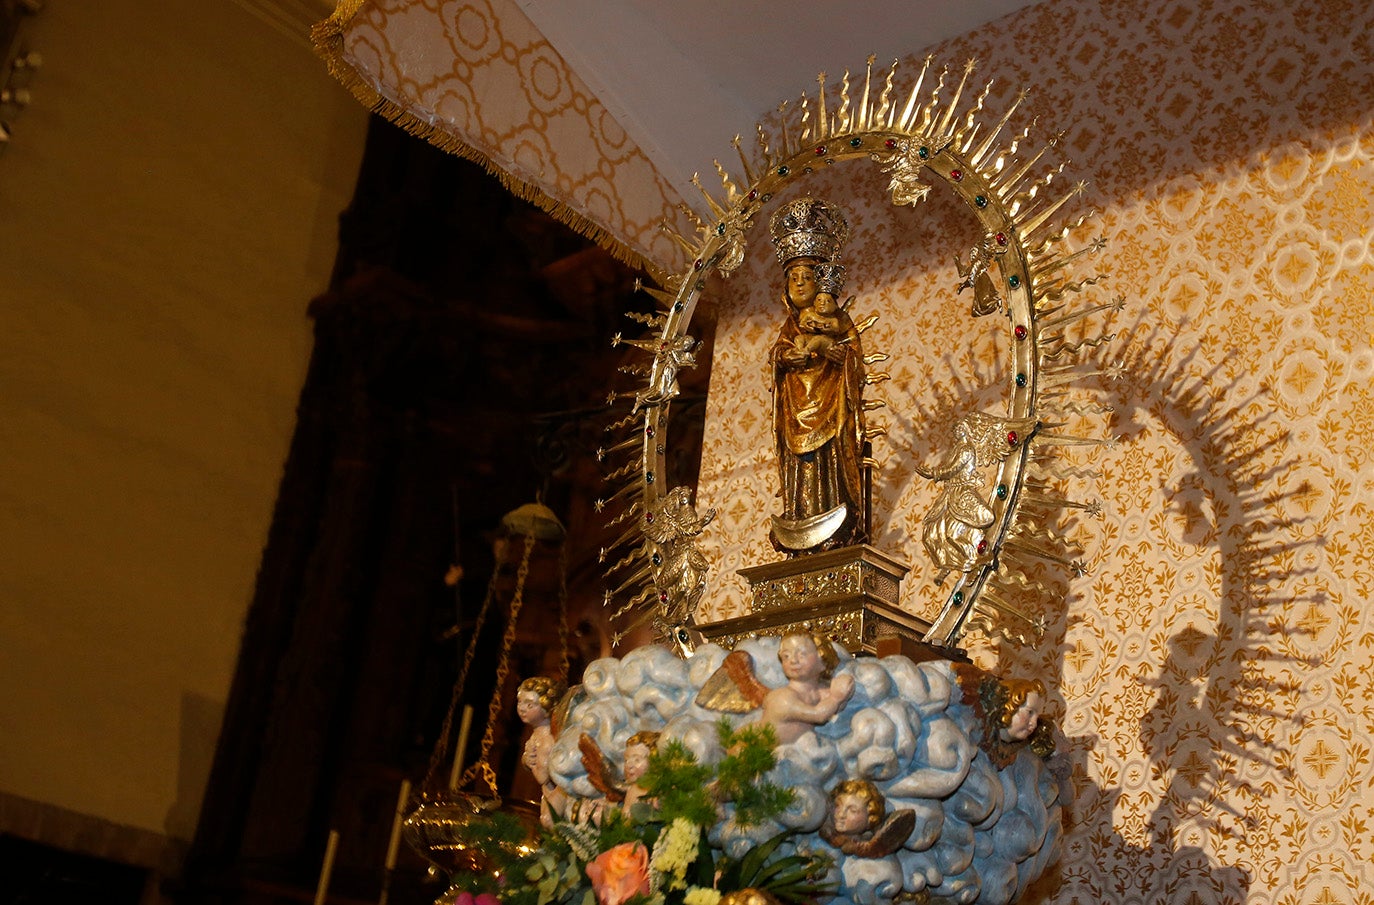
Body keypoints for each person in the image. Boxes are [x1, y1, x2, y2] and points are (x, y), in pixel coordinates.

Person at [768, 198, 868, 553]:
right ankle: (799, 515)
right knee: (798, 463)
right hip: (796, 410)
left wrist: (829, 350)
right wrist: (787, 357)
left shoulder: (838, 321)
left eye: (806, 277)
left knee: (830, 459)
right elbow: (777, 354)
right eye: (792, 278)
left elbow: (853, 356)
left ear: (821, 282)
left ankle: (834, 518)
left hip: (830, 406)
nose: (798, 284)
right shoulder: (789, 323)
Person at [761, 632, 854, 744]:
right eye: (786, 656)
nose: (793, 660)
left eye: (802, 654)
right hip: (766, 751)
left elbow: (835, 707)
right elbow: (818, 715)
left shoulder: (819, 691)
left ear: (822, 660)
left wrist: (845, 690)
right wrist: (836, 697)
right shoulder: (782, 697)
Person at [516, 676, 567, 826]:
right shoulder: (536, 735)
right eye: (520, 702)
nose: (522, 708)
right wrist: (527, 759)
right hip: (547, 792)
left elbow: (543, 777)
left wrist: (532, 762)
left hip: (559, 791)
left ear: (546, 708)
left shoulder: (547, 739)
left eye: (530, 704)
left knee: (548, 822)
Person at [620, 730, 660, 811]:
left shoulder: (655, 793)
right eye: (626, 760)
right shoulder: (632, 789)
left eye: (637, 760)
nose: (629, 765)